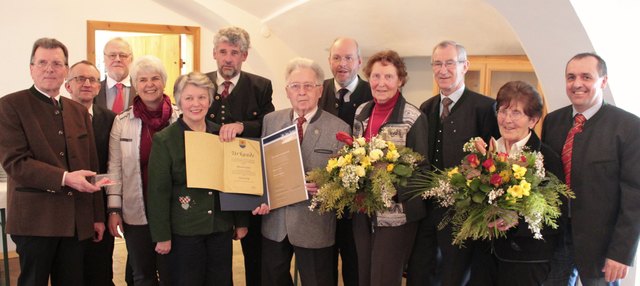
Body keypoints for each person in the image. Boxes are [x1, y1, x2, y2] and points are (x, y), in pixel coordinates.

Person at [0, 37, 104, 285]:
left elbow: (92, 166)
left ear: (66, 71)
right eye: (42, 62)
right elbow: (16, 163)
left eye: (57, 63)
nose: (50, 69)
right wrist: (65, 178)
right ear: (31, 68)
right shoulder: (10, 105)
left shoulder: (78, 110)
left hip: (75, 222)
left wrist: (97, 215)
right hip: (34, 220)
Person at [542, 53, 640, 286]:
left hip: (602, 246)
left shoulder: (629, 127)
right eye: (571, 77)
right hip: (556, 239)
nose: (577, 84)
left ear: (603, 81)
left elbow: (635, 195)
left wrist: (621, 253)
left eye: (586, 77)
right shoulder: (552, 122)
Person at [253, 57, 350, 286]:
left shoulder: (339, 128)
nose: (302, 92)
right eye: (295, 86)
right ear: (287, 91)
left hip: (314, 226)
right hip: (275, 224)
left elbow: (345, 184)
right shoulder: (271, 121)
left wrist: (325, 189)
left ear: (320, 90)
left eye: (309, 86)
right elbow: (261, 168)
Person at [147, 71, 250, 286]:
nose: (196, 103)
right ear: (179, 101)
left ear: (210, 101)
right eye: (189, 98)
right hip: (184, 231)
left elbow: (234, 179)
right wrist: (161, 235)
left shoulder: (222, 135)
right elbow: (158, 192)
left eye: (202, 97)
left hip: (220, 227)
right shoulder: (165, 140)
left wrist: (240, 221)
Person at [410, 40, 500, 286]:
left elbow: (495, 161)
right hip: (428, 210)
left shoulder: (484, 107)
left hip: (464, 212)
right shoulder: (427, 108)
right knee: (420, 273)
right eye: (437, 64)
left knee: (454, 276)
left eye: (450, 63)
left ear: (465, 66)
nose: (443, 70)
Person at [468, 81, 563, 285]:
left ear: (533, 120)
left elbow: (556, 217)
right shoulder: (486, 151)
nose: (507, 119)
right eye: (503, 111)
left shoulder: (546, 157)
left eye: (516, 113)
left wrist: (516, 220)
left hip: (524, 260)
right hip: (484, 258)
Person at [351, 50, 429, 286]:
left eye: (388, 77)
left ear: (400, 80)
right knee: (363, 273)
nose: (380, 83)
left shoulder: (412, 118)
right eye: (375, 76)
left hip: (397, 214)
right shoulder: (361, 112)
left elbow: (421, 171)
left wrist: (388, 188)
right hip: (362, 210)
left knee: (384, 277)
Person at [206, 26, 275, 286]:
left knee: (254, 250)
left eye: (234, 52)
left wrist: (243, 126)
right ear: (214, 53)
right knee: (214, 250)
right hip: (210, 177)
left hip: (247, 178)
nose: (228, 58)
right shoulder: (199, 82)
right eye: (223, 51)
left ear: (244, 56)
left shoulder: (260, 86)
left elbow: (269, 124)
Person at [106, 55, 180, 286]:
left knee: (172, 274)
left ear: (164, 82)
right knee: (143, 275)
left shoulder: (181, 118)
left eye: (155, 78)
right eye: (143, 79)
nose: (149, 84)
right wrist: (113, 209)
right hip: (135, 210)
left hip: (175, 211)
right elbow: (114, 167)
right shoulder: (122, 121)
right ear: (135, 85)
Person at [318, 36, 372, 286]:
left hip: (358, 200)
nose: (342, 64)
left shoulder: (372, 93)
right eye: (336, 57)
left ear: (359, 61)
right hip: (323, 196)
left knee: (355, 264)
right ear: (329, 61)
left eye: (348, 58)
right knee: (323, 265)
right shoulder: (319, 90)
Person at [65, 60, 117, 286]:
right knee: (71, 269)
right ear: (68, 85)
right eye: (80, 79)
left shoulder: (110, 119)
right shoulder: (57, 116)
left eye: (93, 80)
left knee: (101, 268)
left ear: (99, 87)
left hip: (101, 202)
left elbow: (114, 162)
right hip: (68, 204)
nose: (87, 84)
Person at [96, 37, 136, 113]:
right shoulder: (94, 90)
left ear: (131, 59)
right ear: (104, 59)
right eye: (112, 55)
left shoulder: (141, 89)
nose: (117, 59)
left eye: (123, 55)